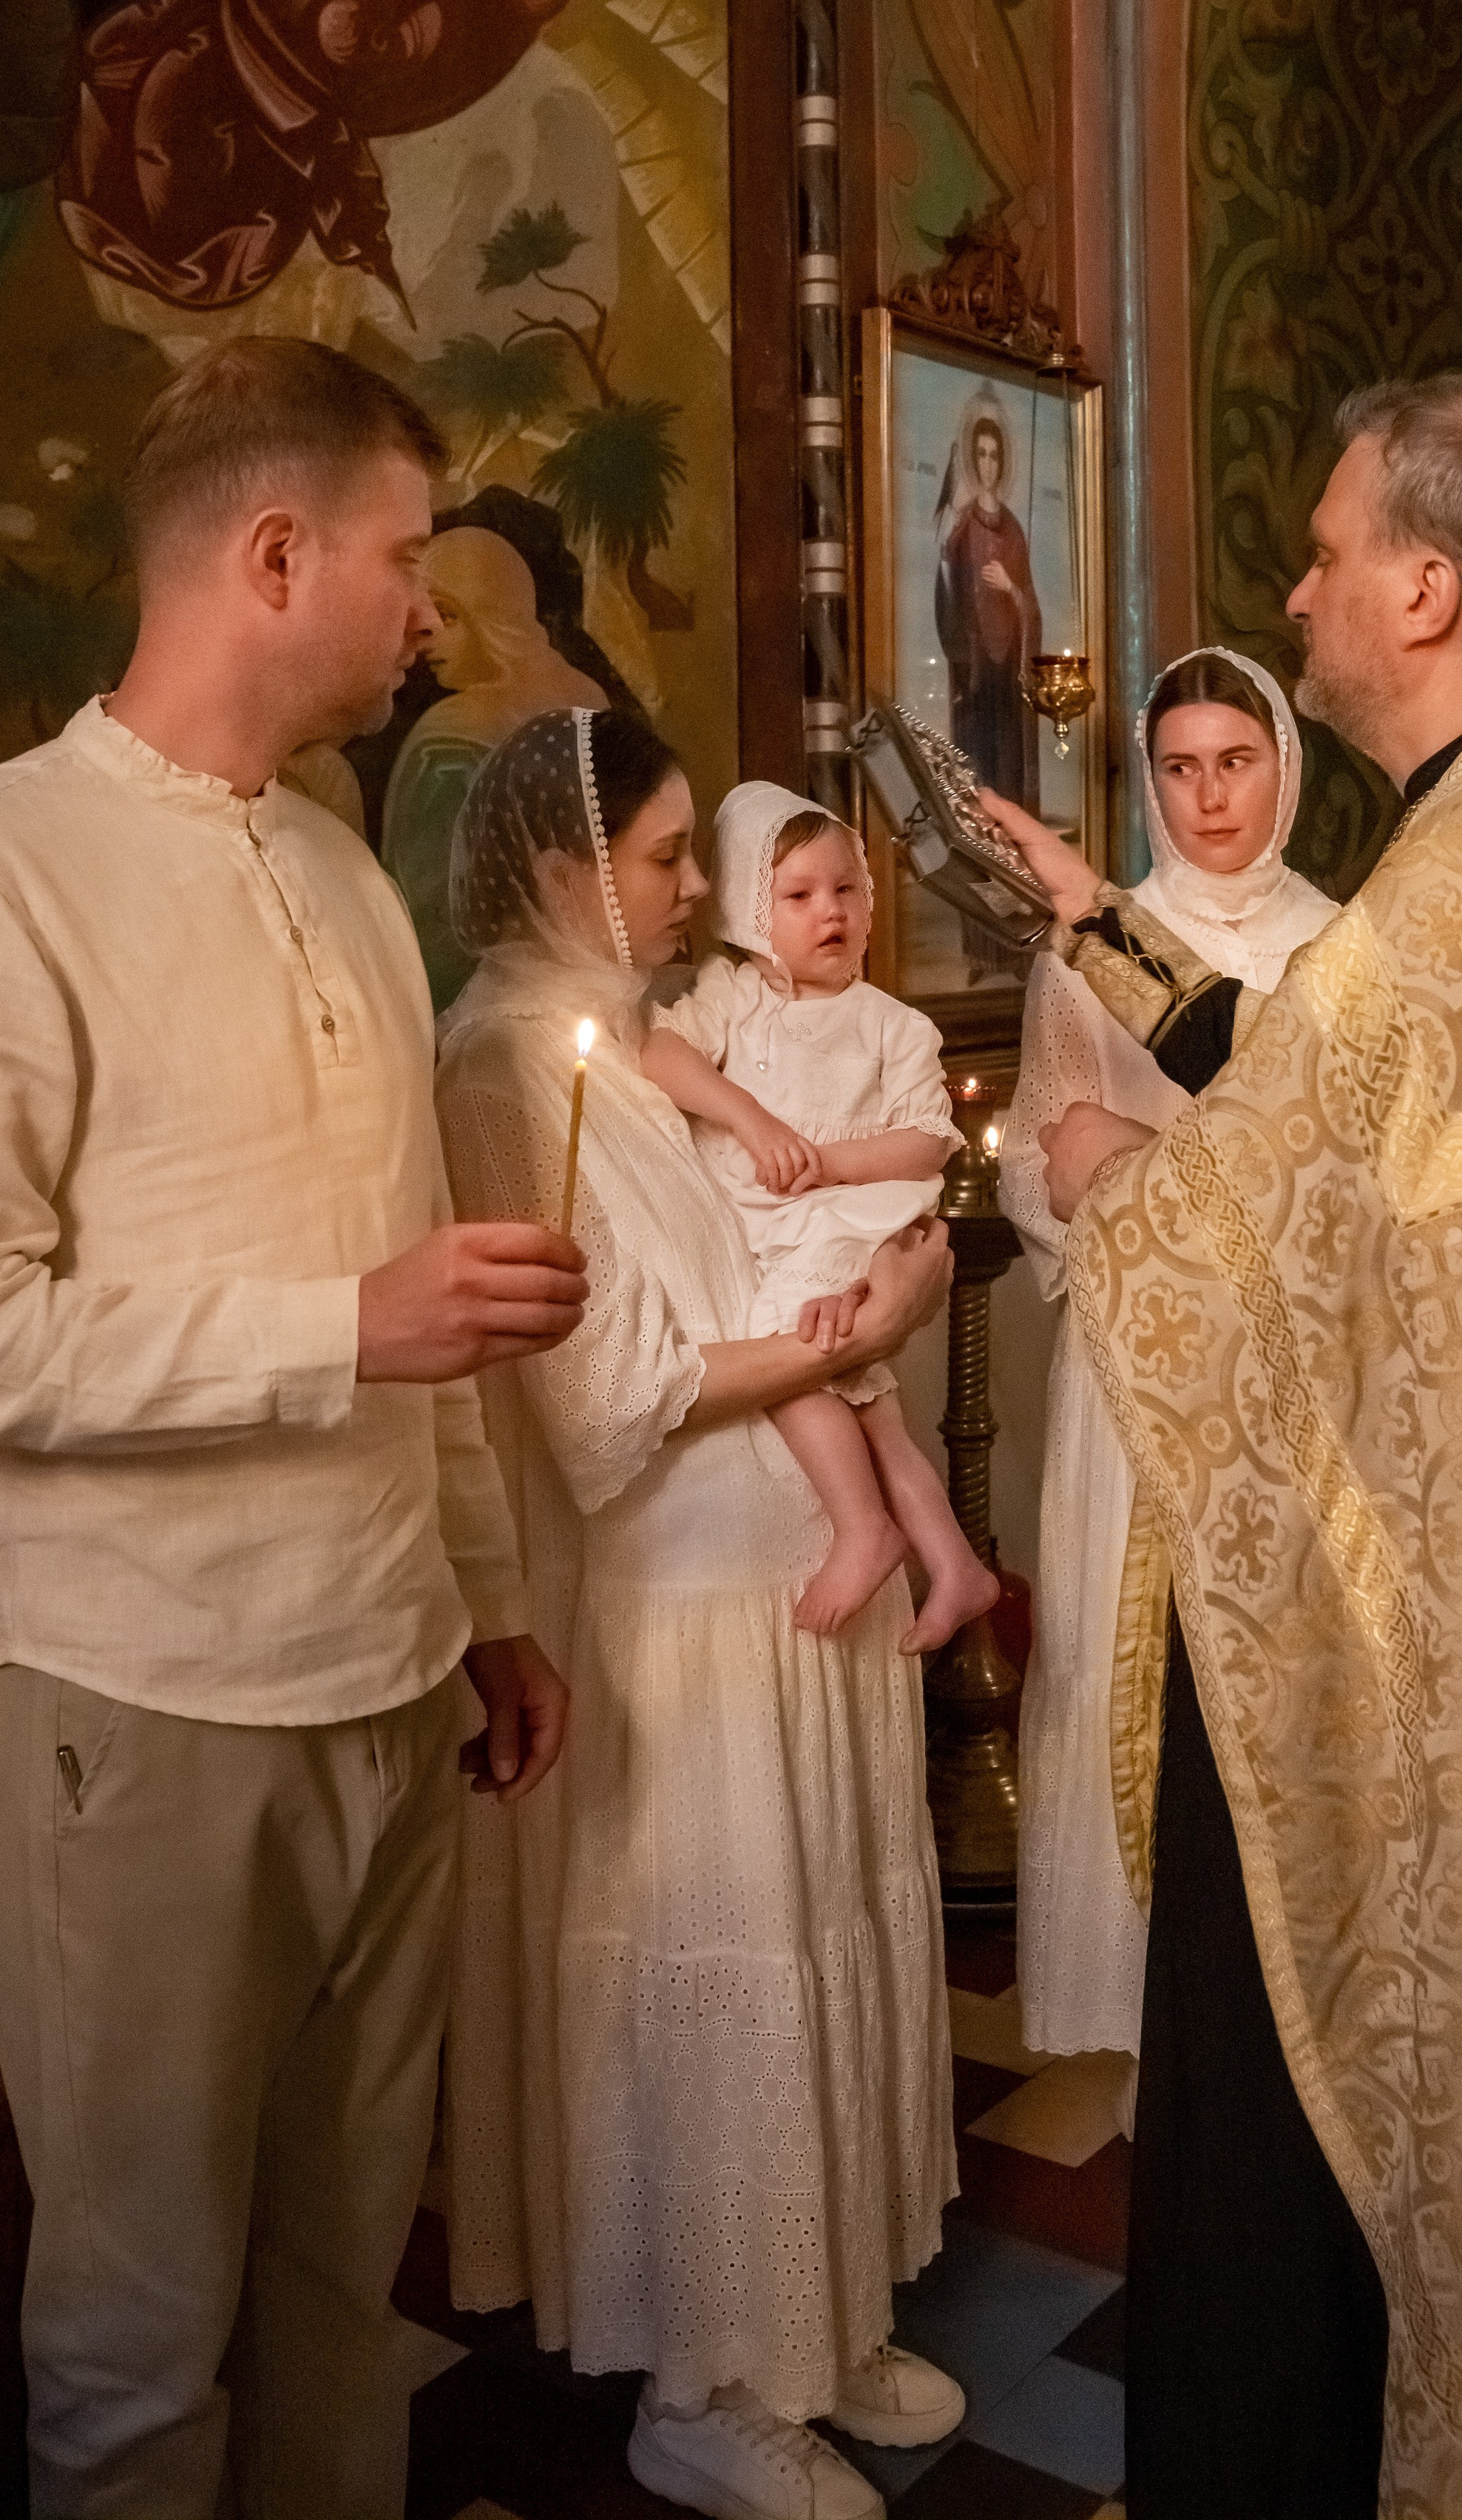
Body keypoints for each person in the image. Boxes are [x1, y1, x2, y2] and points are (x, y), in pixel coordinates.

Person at [985, 374, 1462, 2519]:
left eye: (1327, 548)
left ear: (1424, 582)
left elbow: (1302, 1158)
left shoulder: (1460, 881)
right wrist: (1095, 916)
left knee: (1294, 2095)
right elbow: (1326, 1076)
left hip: (1384, 1616)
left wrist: (1123, 1191)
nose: (1300, 587)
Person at [0, 334, 589, 2520]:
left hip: (389, 1678)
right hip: (143, 1688)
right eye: (405, 556)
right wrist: (342, 1329)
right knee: (133, 2336)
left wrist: (478, 1597)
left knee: (339, 2294)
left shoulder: (336, 877)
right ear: (274, 551)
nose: (427, 603)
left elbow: (424, 1283)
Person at [436, 711, 966, 2520]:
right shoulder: (508, 1062)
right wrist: (869, 1334)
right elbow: (607, 1393)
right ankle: (709, 2376)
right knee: (716, 1984)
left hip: (771, 1562)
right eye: (664, 859)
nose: (686, 893)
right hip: (671, 1594)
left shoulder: (620, 1044)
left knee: (821, 1932)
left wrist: (863, 1283)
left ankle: (820, 2316)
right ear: (563, 858)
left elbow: (740, 1244)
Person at [999, 649, 1337, 2071]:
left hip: (1282, 1388)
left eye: (1237, 762)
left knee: (1269, 1696)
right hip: (1129, 1382)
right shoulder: (1094, 942)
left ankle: (1281, 2023)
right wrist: (1102, 1188)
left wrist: (1137, 1163)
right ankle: (1144, 2027)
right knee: (1119, 1677)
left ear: (1286, 767)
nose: (1209, 796)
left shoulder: (1342, 945)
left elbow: (1330, 1189)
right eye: (1183, 767)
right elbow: (1032, 1158)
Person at [640, 778, 999, 1644]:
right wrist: (747, 1116)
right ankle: (952, 1562)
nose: (829, 911)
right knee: (872, 1404)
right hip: (768, 1235)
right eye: (798, 897)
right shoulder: (734, 998)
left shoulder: (891, 1025)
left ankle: (863, 1527)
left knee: (798, 1346)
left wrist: (827, 1163)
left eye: (846, 889)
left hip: (846, 1228)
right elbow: (658, 1054)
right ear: (748, 914)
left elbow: (924, 1141)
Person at [383, 524, 609, 1005]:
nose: (426, 637)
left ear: (492, 616)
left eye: (448, 614)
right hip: (582, 991)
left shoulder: (449, 736)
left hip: (480, 1004)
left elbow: (431, 915)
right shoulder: (588, 700)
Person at [935, 393, 1043, 809]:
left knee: (1009, 767)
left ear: (1002, 463)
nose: (987, 463)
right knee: (976, 764)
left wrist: (1010, 589)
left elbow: (1031, 606)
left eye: (994, 455)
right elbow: (947, 590)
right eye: (980, 454)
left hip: (1008, 668)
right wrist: (944, 555)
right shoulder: (960, 526)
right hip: (976, 669)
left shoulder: (1014, 530)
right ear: (973, 461)